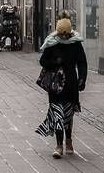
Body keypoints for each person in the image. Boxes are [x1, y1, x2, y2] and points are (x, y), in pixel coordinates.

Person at [36, 16, 87, 159]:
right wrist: (54, 61)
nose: (64, 36)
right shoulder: (52, 43)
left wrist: (82, 79)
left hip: (71, 84)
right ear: (58, 32)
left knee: (68, 114)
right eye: (62, 34)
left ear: (70, 32)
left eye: (66, 34)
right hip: (56, 84)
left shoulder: (75, 44)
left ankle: (69, 140)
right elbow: (43, 61)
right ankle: (59, 145)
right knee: (57, 112)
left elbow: (82, 62)